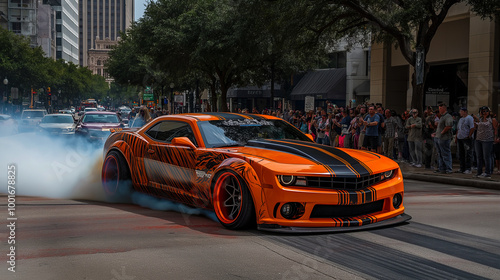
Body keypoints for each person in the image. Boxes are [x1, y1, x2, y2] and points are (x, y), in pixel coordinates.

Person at [473, 106, 498, 179]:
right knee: (479, 156)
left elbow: (495, 129)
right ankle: (479, 172)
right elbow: (476, 127)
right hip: (478, 139)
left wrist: (495, 137)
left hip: (487, 140)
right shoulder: (480, 119)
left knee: (487, 156)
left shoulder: (492, 119)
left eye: (486, 111)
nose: (485, 113)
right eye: (483, 111)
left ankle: (488, 172)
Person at [433, 103, 454, 174]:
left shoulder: (448, 116)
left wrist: (442, 133)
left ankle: (448, 168)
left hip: (444, 138)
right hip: (438, 137)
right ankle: (441, 168)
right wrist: (437, 133)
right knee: (440, 154)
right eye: (439, 108)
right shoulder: (442, 117)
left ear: (444, 108)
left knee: (445, 153)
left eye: (440, 108)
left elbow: (449, 126)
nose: (439, 110)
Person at [455, 107, 474, 174]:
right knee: (461, 153)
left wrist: (469, 136)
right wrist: (456, 137)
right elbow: (458, 129)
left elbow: (472, 127)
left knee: (468, 153)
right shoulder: (460, 119)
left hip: (466, 138)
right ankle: (462, 168)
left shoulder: (469, 118)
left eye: (461, 111)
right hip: (460, 138)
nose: (460, 112)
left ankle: (468, 168)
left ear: (465, 112)